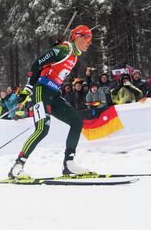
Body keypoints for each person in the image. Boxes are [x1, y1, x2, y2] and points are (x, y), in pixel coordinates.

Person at [8, 25, 94, 178]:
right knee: (42, 129)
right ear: (77, 36)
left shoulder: (74, 56)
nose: (89, 42)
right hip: (42, 91)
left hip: (54, 94)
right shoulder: (64, 50)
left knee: (76, 122)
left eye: (90, 39)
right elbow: (36, 65)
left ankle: (69, 164)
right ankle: (17, 167)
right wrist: (27, 90)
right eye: (87, 38)